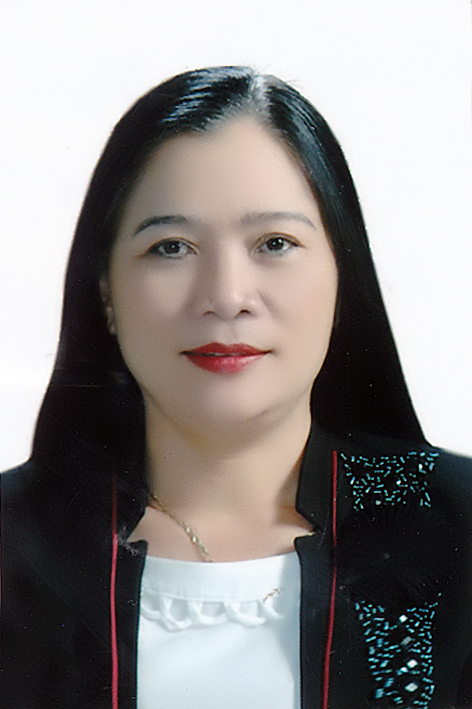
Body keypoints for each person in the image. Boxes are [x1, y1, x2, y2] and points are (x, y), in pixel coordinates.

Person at [1, 66, 471, 709]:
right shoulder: (12, 544)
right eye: (171, 247)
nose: (226, 296)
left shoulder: (458, 535)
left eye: (274, 243)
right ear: (106, 292)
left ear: (343, 278)